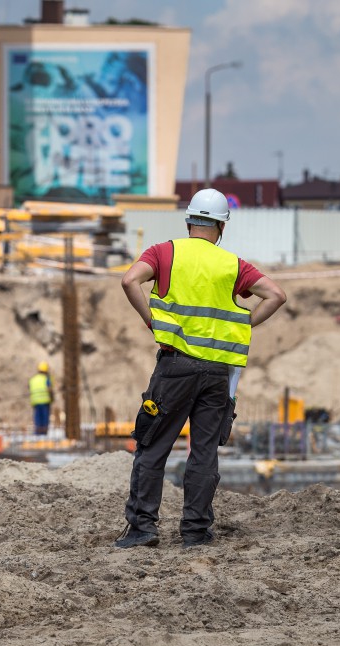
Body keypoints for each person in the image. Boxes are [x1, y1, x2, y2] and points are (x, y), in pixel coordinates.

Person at [115, 188, 287, 549]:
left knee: (153, 446)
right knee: (204, 451)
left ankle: (143, 528)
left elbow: (130, 280)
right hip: (216, 374)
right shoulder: (233, 265)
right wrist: (245, 325)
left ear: (189, 220)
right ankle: (195, 531)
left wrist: (152, 322)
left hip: (175, 367)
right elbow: (276, 295)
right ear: (222, 226)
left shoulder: (164, 252)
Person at [29, 361, 54, 435]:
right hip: (45, 401)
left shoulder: (33, 379)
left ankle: (37, 433)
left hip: (35, 402)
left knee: (37, 418)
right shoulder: (46, 379)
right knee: (44, 419)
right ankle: (44, 434)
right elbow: (49, 389)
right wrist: (52, 398)